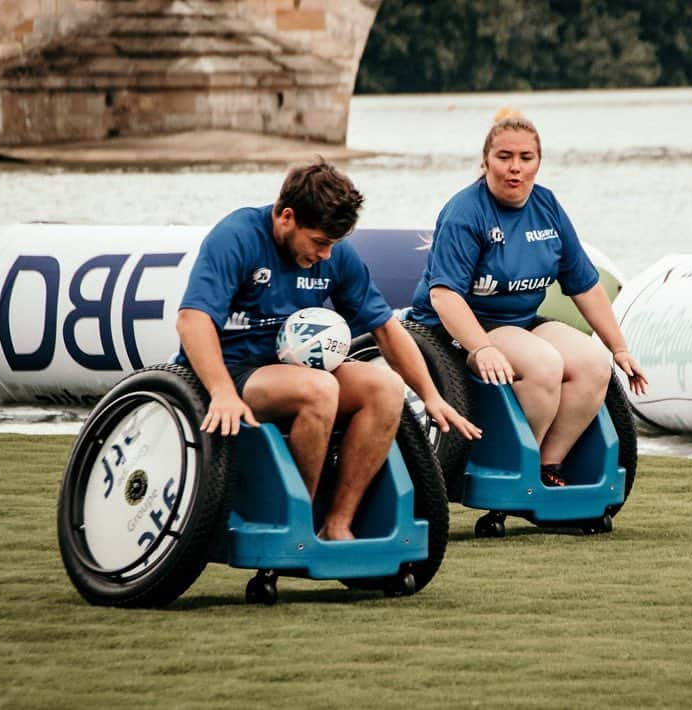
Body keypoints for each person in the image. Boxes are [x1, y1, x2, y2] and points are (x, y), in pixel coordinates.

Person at [176, 159, 480, 541]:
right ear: (287, 217)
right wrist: (220, 390)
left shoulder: (336, 255)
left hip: (294, 367)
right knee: (320, 391)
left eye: (333, 244)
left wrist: (432, 396)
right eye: (319, 242)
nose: (325, 255)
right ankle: (295, 517)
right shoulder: (236, 236)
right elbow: (192, 319)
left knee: (384, 388)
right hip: (230, 371)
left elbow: (386, 329)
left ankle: (337, 522)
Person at [408, 109, 647, 487]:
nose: (514, 168)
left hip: (519, 322)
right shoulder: (464, 212)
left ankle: (546, 468)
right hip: (457, 327)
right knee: (545, 366)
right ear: (485, 161)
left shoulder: (547, 206)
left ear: (538, 163)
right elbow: (445, 296)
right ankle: (515, 466)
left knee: (594, 364)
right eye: (504, 157)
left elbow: (584, 285)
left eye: (525, 158)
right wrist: (482, 348)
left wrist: (619, 349)